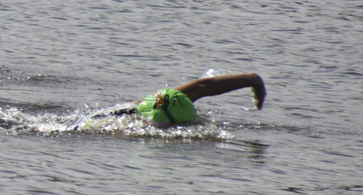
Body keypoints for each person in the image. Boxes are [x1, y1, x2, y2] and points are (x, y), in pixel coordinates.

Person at [71, 72, 266, 129]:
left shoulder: (148, 105)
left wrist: (253, 80)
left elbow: (203, 86)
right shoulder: (116, 126)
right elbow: (202, 86)